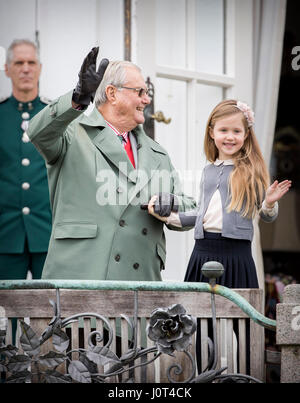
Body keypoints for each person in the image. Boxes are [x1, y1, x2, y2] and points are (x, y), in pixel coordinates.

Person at [28, 47, 196, 281]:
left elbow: (191, 210)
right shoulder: (72, 135)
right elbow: (38, 132)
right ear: (112, 93)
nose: (146, 100)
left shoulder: (158, 155)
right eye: (140, 92)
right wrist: (77, 99)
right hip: (83, 278)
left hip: (141, 285)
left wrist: (173, 203)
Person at [148, 99, 291, 372]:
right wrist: (167, 216)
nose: (230, 137)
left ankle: (247, 375)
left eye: (237, 131)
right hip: (202, 253)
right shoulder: (208, 170)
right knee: (197, 325)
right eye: (224, 130)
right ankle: (199, 374)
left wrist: (270, 202)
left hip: (236, 255)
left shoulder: (251, 170)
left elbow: (265, 215)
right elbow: (203, 215)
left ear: (246, 135)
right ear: (212, 132)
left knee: (243, 327)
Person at [0, 39, 52, 281]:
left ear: (40, 68)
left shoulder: (53, 115)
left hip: (47, 234)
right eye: (19, 63)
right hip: (5, 236)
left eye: (31, 62)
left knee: (54, 311)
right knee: (8, 314)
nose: (26, 68)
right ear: (7, 69)